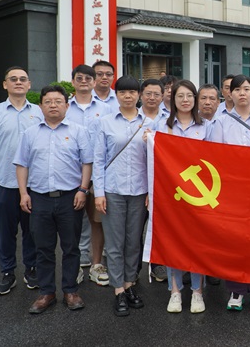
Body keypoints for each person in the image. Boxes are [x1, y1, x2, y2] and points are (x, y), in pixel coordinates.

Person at [14, 85, 92, 314]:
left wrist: (83, 190)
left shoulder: (79, 131)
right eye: (48, 102)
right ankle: (46, 292)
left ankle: (70, 290)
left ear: (67, 106)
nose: (53, 105)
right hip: (40, 198)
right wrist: (23, 193)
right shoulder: (30, 134)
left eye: (58, 101)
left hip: (71, 197)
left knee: (71, 247)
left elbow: (87, 163)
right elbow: (22, 165)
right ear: (40, 106)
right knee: (43, 248)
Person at [208, 74, 250, 311]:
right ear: (230, 94)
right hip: (231, 189)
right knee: (234, 240)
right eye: (237, 90)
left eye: (247, 89)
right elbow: (216, 156)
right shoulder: (220, 122)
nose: (242, 93)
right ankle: (235, 290)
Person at [0, 66, 42, 295]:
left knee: (32, 231)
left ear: (29, 84)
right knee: (6, 232)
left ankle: (31, 269)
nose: (18, 82)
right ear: (5, 84)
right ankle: (7, 272)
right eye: (13, 79)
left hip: (34, 184)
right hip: (4, 183)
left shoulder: (39, 112)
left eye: (23, 79)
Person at [153, 80, 210, 313]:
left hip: (199, 195)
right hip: (170, 194)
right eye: (180, 96)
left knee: (198, 244)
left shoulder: (206, 127)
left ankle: (197, 292)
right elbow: (152, 162)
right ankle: (175, 291)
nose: (185, 100)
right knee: (172, 242)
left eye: (189, 96)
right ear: (172, 99)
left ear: (195, 99)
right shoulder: (161, 125)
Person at [94, 76, 148, 317]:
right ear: (116, 95)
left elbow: (155, 161)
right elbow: (98, 159)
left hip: (139, 191)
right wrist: (98, 193)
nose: (128, 96)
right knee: (115, 243)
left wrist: (152, 192)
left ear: (139, 95)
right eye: (123, 92)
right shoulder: (105, 122)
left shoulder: (149, 123)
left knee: (133, 241)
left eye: (132, 92)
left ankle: (129, 284)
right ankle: (118, 290)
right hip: (113, 190)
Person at [65, 65, 112, 287]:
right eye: (79, 78)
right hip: (70, 174)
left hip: (97, 175)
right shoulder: (65, 108)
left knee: (96, 221)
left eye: (88, 78)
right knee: (71, 222)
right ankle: (74, 266)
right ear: (73, 81)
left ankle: (96, 264)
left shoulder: (106, 109)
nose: (84, 81)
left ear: (94, 82)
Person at [138, 79, 169, 284]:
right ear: (141, 95)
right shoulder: (132, 116)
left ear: (163, 96)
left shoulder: (169, 119)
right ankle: (134, 270)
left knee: (161, 226)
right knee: (136, 229)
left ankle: (158, 264)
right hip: (137, 181)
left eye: (156, 94)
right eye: (148, 94)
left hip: (163, 182)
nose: (152, 98)